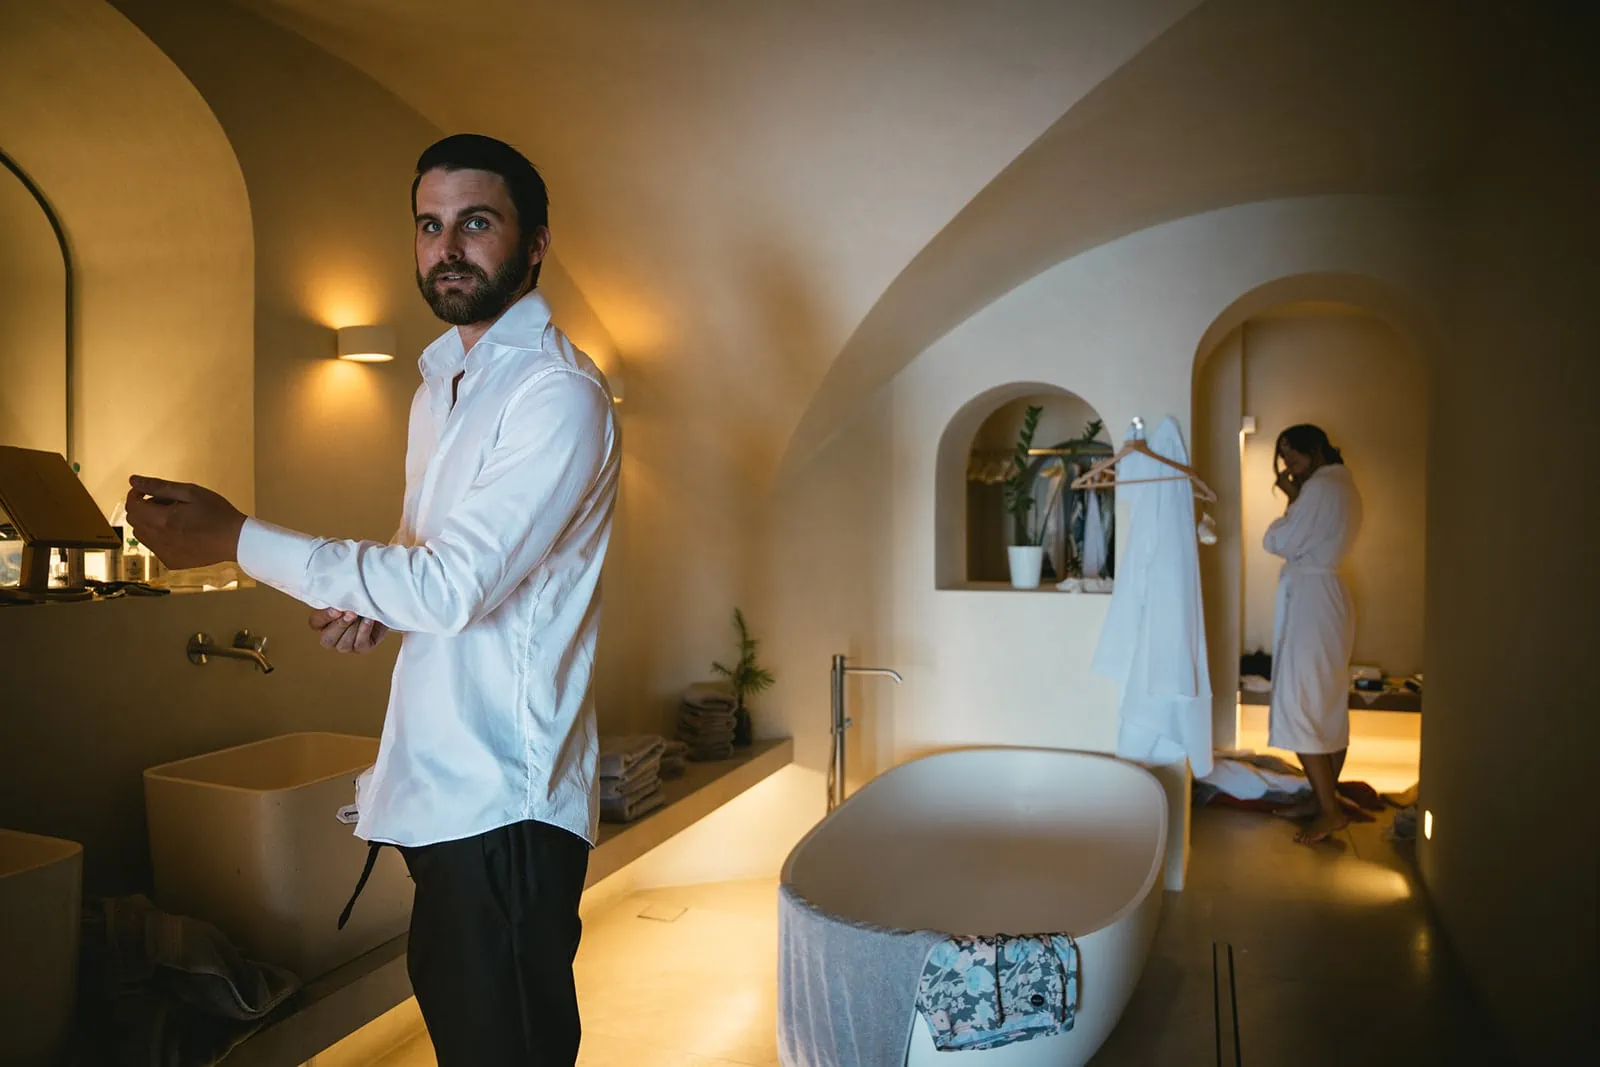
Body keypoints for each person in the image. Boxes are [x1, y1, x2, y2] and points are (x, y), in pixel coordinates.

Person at [125, 134, 620, 1065]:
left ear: (536, 242)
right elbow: (425, 558)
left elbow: (456, 586)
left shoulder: (559, 394)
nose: (448, 247)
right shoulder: (441, 385)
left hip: (502, 803)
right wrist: (381, 603)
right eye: (429, 226)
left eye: (476, 222)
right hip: (440, 794)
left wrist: (238, 538)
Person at [1264, 423, 1363, 845]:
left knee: (1300, 699)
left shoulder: (1321, 489)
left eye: (1293, 454)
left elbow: (1277, 540)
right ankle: (1320, 796)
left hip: (1312, 601)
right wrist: (1296, 496)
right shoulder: (1343, 485)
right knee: (1324, 700)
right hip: (1327, 598)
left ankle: (1328, 809)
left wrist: (1292, 502)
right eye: (1283, 458)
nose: (1288, 464)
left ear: (1315, 447)